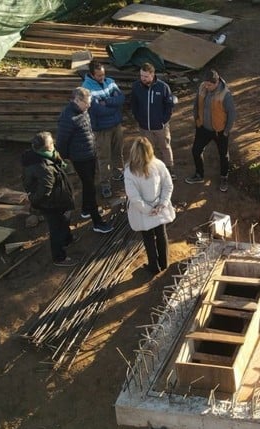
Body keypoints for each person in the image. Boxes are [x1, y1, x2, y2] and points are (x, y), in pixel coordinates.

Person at [56, 87, 114, 234]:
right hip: (80, 158)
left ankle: (85, 209)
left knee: (89, 184)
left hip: (90, 154)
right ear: (77, 100)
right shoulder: (68, 117)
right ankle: (97, 222)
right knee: (90, 186)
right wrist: (65, 158)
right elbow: (62, 142)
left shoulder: (83, 111)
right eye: (87, 103)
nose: (89, 105)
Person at [21, 131, 76, 267]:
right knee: (56, 228)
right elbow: (45, 190)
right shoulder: (43, 167)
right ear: (45, 148)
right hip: (52, 204)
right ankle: (59, 257)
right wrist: (34, 200)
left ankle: (67, 239)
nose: (54, 144)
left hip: (57, 199)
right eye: (51, 143)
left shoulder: (46, 156)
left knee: (64, 219)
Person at [124, 137, 175, 275]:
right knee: (161, 234)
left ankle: (154, 266)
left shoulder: (129, 171)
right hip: (159, 209)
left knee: (148, 238)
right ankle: (164, 264)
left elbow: (134, 197)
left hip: (142, 213)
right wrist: (161, 204)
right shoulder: (159, 165)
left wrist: (147, 210)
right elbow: (168, 185)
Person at [184, 69, 236, 193]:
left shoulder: (225, 94)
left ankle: (224, 177)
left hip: (220, 131)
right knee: (196, 150)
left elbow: (232, 114)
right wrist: (197, 120)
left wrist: (226, 131)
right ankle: (199, 175)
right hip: (203, 128)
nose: (206, 87)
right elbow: (196, 105)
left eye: (209, 85)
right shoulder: (202, 87)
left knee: (223, 155)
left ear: (216, 82)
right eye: (205, 84)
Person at [82, 60, 126, 198]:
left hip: (116, 125)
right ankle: (105, 183)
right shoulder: (86, 88)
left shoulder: (111, 82)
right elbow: (97, 110)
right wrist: (113, 106)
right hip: (101, 129)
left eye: (103, 74)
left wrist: (107, 102)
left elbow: (121, 99)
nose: (102, 77)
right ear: (91, 74)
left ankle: (119, 173)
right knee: (104, 157)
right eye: (99, 75)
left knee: (118, 152)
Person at [130, 62, 177, 177]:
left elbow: (169, 105)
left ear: (152, 75)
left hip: (161, 127)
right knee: (147, 149)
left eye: (145, 76)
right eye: (141, 75)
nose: (143, 78)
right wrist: (138, 118)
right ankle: (151, 170)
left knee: (165, 147)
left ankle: (169, 169)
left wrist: (164, 120)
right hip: (144, 127)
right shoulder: (136, 86)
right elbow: (133, 104)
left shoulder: (163, 87)